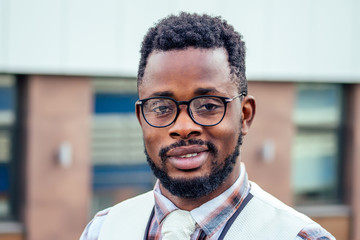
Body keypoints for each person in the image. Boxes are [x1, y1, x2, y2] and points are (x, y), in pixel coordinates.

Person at [80, 12, 335, 240]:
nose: (182, 127)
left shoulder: (298, 237)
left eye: (208, 105)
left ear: (245, 116)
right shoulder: (102, 231)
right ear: (141, 119)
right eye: (161, 107)